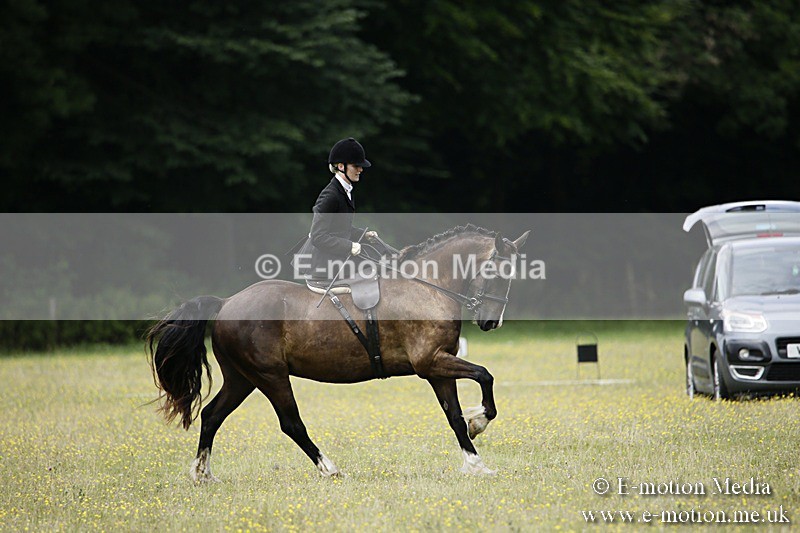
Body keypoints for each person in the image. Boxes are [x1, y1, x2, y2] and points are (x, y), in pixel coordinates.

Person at [300, 138, 379, 285]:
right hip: (323, 265)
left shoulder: (345, 190)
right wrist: (350, 246)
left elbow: (339, 228)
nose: (360, 170)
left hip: (336, 258)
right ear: (341, 166)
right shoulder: (330, 195)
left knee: (379, 265)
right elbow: (318, 236)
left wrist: (363, 235)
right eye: (356, 166)